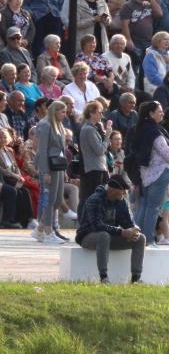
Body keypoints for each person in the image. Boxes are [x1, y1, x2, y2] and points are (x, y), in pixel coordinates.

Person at [75, 174, 144, 284]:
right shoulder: (95, 199)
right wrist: (121, 232)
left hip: (110, 237)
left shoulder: (121, 202)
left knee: (140, 239)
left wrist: (133, 230)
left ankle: (136, 278)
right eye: (122, 190)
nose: (125, 193)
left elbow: (127, 223)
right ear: (112, 189)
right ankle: (104, 277)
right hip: (88, 236)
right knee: (103, 235)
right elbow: (96, 226)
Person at [133, 100, 169, 245]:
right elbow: (165, 151)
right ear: (151, 114)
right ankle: (147, 239)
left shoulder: (140, 129)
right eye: (159, 111)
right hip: (159, 173)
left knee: (143, 206)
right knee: (153, 208)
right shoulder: (154, 131)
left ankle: (136, 237)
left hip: (145, 173)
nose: (162, 114)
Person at [33, 99, 70, 244]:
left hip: (58, 165)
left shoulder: (58, 124)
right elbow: (42, 150)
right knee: (50, 200)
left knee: (58, 199)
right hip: (48, 165)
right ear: (55, 111)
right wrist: (45, 171)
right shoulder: (45, 124)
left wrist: (64, 169)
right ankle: (48, 232)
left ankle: (39, 229)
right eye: (63, 112)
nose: (65, 115)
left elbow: (61, 149)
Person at [78, 101, 109, 205]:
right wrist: (107, 137)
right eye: (99, 112)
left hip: (96, 168)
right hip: (94, 169)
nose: (101, 115)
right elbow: (99, 150)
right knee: (92, 199)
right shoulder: (89, 130)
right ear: (91, 113)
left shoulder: (92, 128)